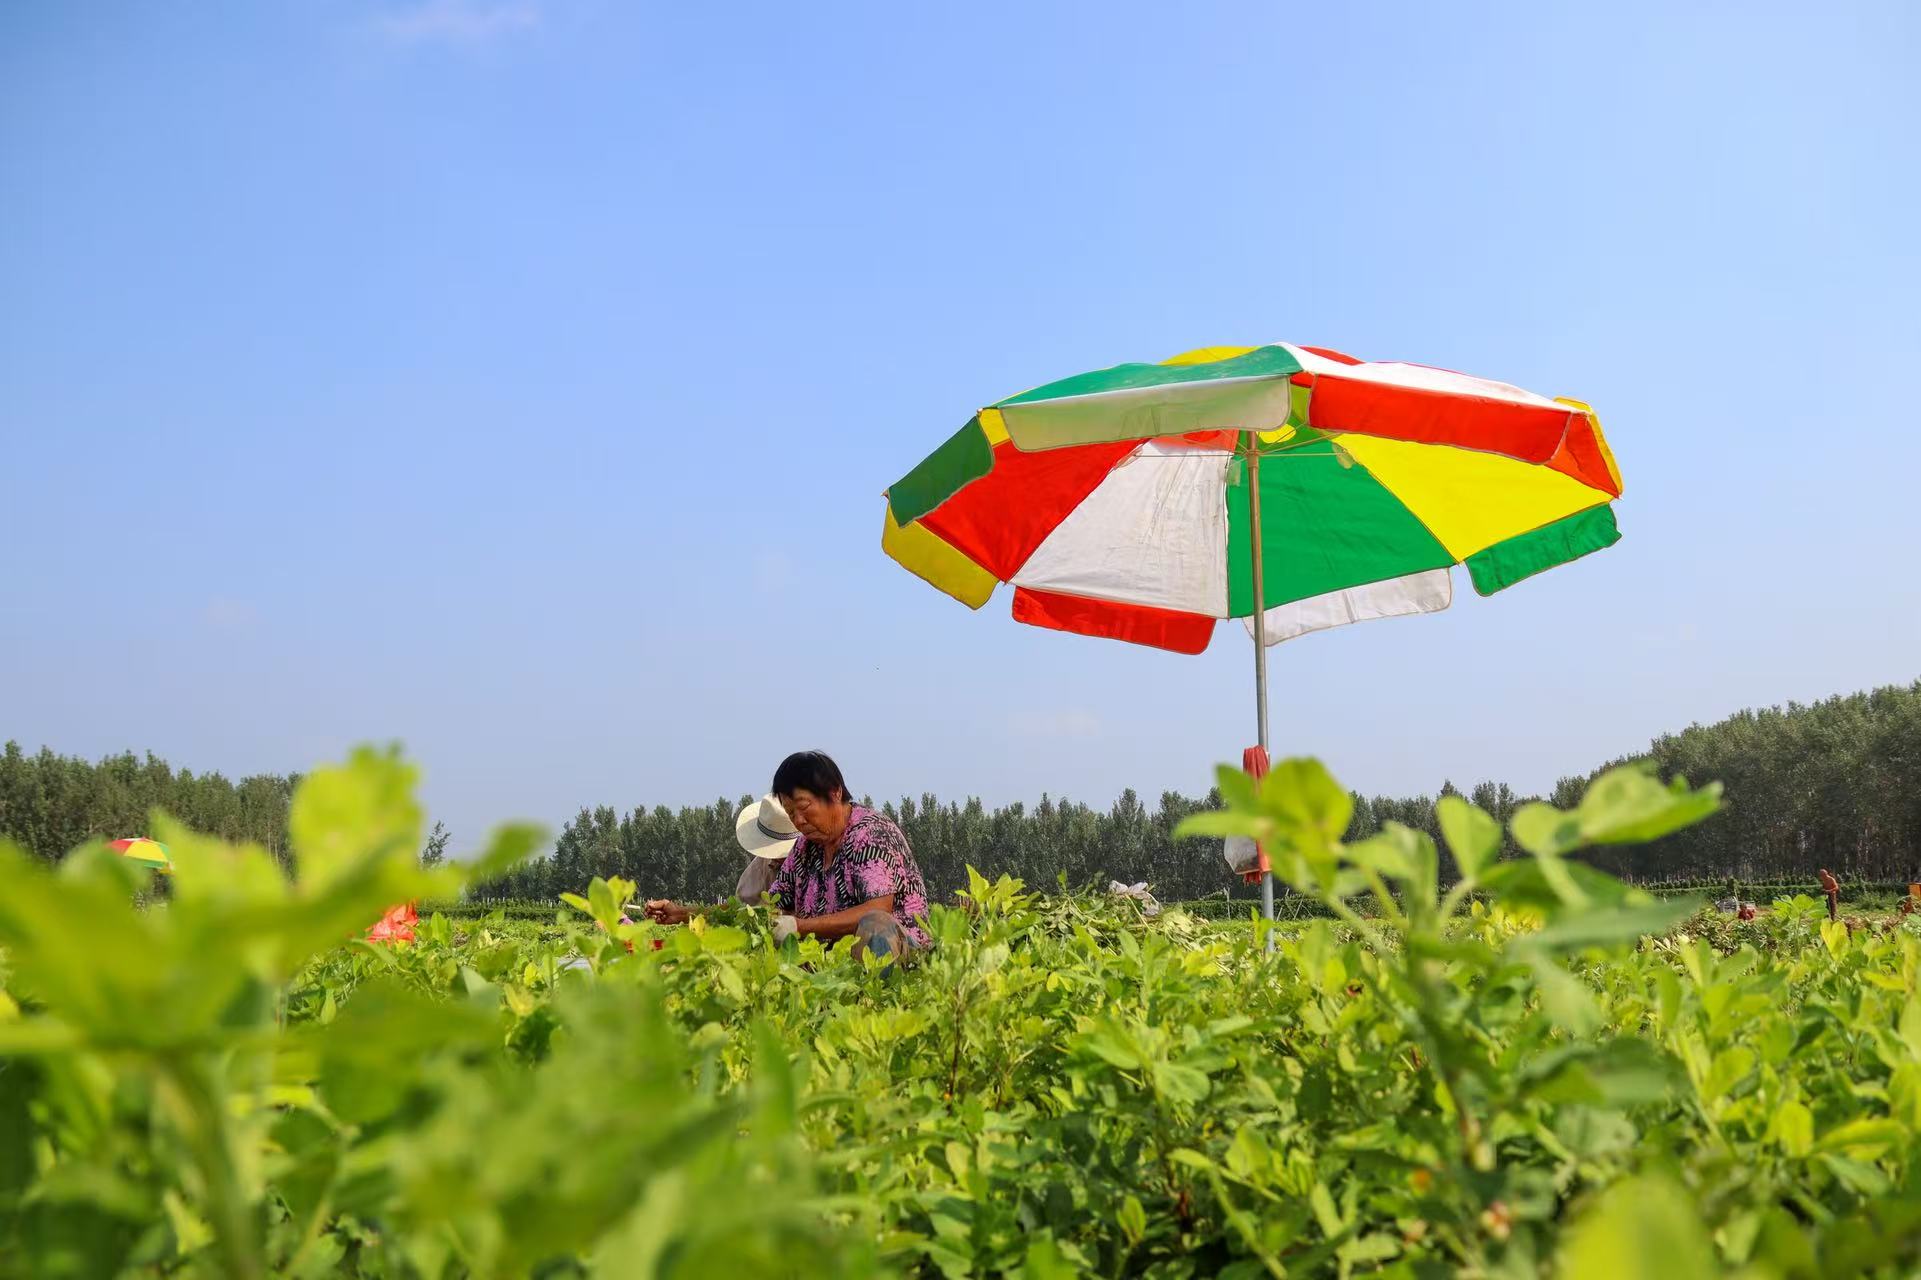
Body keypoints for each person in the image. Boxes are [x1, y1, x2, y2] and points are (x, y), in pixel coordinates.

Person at [645, 751, 931, 961]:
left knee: (875, 926)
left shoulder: (870, 834)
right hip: (831, 966)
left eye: (804, 807)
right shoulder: (804, 850)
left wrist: (798, 926)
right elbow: (762, 913)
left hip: (898, 957)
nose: (799, 820)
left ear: (834, 793)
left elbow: (878, 910)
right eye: (791, 812)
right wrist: (684, 913)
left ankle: (872, 1006)